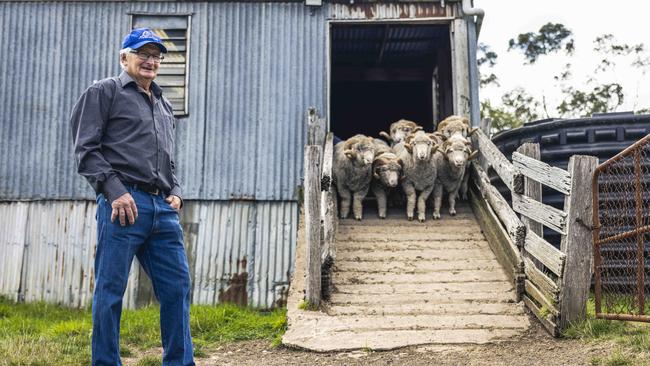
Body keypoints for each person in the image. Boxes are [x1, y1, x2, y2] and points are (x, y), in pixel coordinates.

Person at [70, 28, 194, 366]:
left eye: (156, 56)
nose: (151, 61)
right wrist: (115, 191)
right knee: (110, 292)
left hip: (163, 209)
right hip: (123, 206)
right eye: (143, 53)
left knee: (178, 289)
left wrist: (177, 192)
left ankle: (180, 362)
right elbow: (86, 150)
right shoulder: (104, 92)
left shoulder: (163, 103)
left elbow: (167, 159)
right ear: (124, 57)